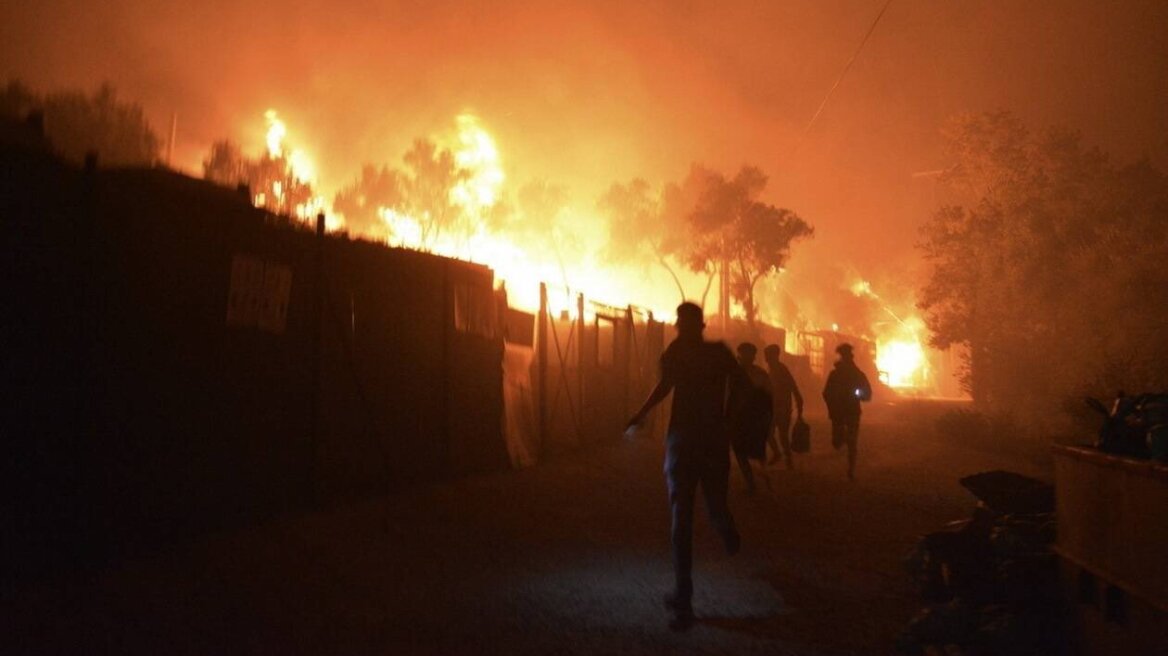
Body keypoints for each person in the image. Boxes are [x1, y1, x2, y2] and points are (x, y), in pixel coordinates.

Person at [627, 302, 746, 630]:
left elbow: (664, 387)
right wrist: (728, 418)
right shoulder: (718, 353)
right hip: (710, 441)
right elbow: (741, 384)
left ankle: (684, 595)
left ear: (684, 324)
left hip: (684, 441)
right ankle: (723, 532)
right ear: (702, 324)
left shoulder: (678, 352)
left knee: (682, 518)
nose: (679, 327)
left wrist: (641, 413)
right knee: (712, 505)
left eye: (681, 322)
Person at [822, 343, 872, 481]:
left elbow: (867, 394)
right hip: (840, 412)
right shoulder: (838, 374)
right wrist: (832, 407)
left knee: (851, 443)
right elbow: (826, 393)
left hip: (850, 412)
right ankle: (845, 440)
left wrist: (859, 395)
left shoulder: (856, 374)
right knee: (838, 442)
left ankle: (851, 470)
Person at [731, 342, 773, 494]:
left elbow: (768, 397)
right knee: (742, 451)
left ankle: (758, 480)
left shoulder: (758, 374)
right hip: (742, 419)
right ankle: (754, 481)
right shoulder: (736, 374)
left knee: (749, 451)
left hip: (752, 418)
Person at [763, 344, 804, 469]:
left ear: (775, 356)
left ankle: (787, 458)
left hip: (783, 408)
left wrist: (799, 403)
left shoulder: (781, 370)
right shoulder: (770, 370)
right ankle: (779, 454)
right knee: (768, 433)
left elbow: (793, 386)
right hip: (773, 408)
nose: (766, 358)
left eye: (768, 356)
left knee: (782, 435)